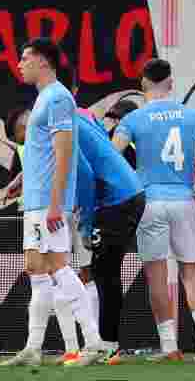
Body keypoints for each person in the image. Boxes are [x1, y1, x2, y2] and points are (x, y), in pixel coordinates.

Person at [111, 59, 195, 362]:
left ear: (143, 83)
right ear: (170, 82)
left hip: (149, 202)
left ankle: (170, 347)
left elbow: (112, 159)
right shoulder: (191, 115)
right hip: (184, 201)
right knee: (191, 274)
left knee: (157, 276)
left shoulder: (134, 119)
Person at [0, 38, 105, 367]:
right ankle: (34, 346)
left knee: (58, 264)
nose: (19, 64)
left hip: (48, 201)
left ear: (43, 62)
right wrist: (21, 180)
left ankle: (94, 342)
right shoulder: (44, 98)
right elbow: (40, 153)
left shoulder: (58, 97)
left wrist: (57, 204)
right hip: (35, 198)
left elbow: (64, 154)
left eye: (24, 58)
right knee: (35, 268)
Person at [71, 102, 146, 366]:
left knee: (105, 273)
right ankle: (107, 345)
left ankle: (107, 347)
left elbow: (86, 178)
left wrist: (86, 226)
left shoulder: (67, 126)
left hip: (118, 199)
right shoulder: (83, 116)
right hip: (127, 194)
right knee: (106, 272)